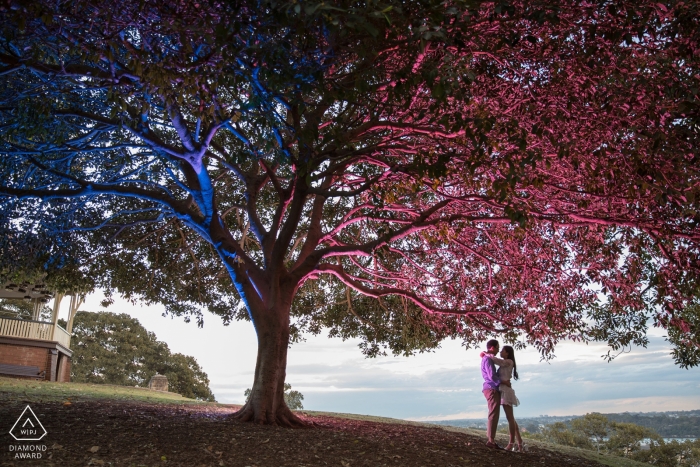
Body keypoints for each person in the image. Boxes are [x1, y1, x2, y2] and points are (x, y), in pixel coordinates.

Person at [481, 345, 523, 452]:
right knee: (511, 418)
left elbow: (497, 361)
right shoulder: (505, 363)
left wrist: (486, 354)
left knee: (510, 418)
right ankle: (520, 443)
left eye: (502, 350)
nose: (500, 351)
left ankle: (511, 443)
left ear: (507, 353)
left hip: (505, 391)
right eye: (498, 348)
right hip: (502, 389)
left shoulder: (508, 362)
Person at [480, 339, 502, 449]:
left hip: (490, 388)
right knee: (494, 413)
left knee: (494, 413)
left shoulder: (487, 359)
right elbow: (492, 376)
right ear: (492, 348)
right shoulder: (488, 359)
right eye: (498, 348)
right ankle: (491, 440)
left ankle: (491, 439)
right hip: (491, 388)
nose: (498, 350)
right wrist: (502, 382)